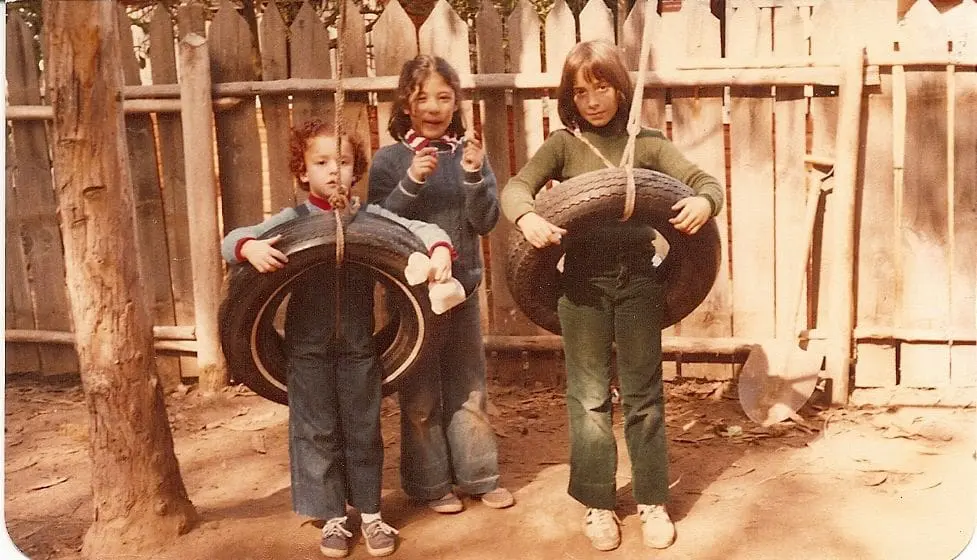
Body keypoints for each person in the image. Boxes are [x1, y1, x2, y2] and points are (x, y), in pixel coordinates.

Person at [500, 40, 725, 551]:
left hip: (640, 281)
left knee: (644, 395)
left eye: (602, 87)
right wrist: (529, 216)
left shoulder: (644, 144)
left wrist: (704, 203)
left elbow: (703, 180)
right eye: (581, 92)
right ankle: (598, 504)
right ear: (569, 98)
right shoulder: (563, 145)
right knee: (589, 397)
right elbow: (516, 187)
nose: (593, 100)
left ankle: (651, 499)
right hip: (580, 283)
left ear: (621, 87)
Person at [222, 118, 457, 558]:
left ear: (357, 171)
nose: (334, 171)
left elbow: (422, 231)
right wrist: (249, 248)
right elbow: (234, 237)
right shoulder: (293, 221)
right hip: (305, 351)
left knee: (362, 427)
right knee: (316, 430)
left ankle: (370, 513)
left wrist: (440, 248)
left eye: (344, 162)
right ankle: (331, 516)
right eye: (322, 162)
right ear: (302, 172)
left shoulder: (368, 218)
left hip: (358, 348)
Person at [368, 54, 514, 514]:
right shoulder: (390, 160)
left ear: (456, 104)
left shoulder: (469, 155)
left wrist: (474, 175)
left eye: (444, 97)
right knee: (421, 394)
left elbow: (485, 220)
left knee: (469, 387)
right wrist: (410, 182)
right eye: (422, 97)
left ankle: (479, 474)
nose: (433, 106)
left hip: (463, 290)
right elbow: (378, 225)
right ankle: (431, 485)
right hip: (411, 299)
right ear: (405, 105)